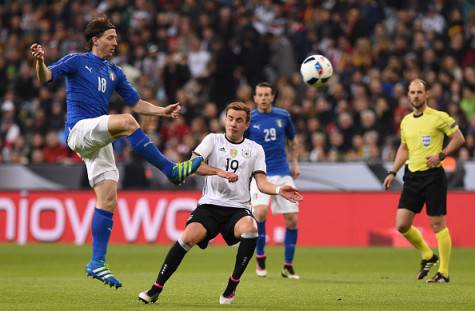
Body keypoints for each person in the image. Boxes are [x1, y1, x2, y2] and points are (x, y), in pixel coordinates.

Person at [30, 16, 203, 289]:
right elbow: (46, 77)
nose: (115, 42)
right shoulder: (76, 60)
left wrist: (162, 111)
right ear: (95, 39)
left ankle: (97, 262)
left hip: (97, 139)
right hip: (79, 130)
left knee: (108, 197)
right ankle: (170, 169)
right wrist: (40, 62)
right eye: (110, 37)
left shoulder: (115, 72)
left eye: (116, 38)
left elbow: (136, 103)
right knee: (125, 121)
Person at [138, 102, 303, 305]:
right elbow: (193, 165)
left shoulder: (255, 149)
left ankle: (232, 285)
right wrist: (219, 172)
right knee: (188, 237)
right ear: (225, 119)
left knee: (251, 228)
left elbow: (261, 183)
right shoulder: (212, 140)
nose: (233, 123)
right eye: (230, 118)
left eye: (239, 120)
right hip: (210, 206)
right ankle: (156, 288)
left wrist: (279, 189)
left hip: (238, 209)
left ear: (247, 124)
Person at [384, 79, 465, 283]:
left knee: (437, 224)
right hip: (412, 176)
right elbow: (404, 148)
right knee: (402, 225)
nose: (415, 96)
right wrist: (393, 171)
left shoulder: (439, 117)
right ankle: (428, 255)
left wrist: (441, 154)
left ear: (427, 94)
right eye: (412, 92)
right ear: (408, 95)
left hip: (433, 175)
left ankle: (444, 272)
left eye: (419, 92)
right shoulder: (406, 121)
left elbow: (459, 138)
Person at [245, 82, 301, 279]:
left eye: (266, 94)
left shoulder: (283, 116)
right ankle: (260, 256)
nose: (263, 98)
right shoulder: (249, 119)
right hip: (260, 174)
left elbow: (292, 141)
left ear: (272, 96)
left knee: (292, 219)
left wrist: (295, 164)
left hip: (282, 171)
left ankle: (288, 265)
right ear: (254, 97)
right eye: (259, 94)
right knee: (259, 214)